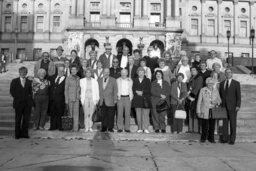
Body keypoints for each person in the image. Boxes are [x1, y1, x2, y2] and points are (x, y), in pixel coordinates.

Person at [10, 67, 33, 139]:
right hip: (18, 103)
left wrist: (30, 101)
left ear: (26, 73)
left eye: (24, 72)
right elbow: (12, 91)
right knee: (18, 119)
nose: (23, 74)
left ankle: (24, 134)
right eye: (21, 72)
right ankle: (17, 134)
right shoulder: (14, 81)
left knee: (26, 120)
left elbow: (31, 92)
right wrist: (19, 98)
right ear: (19, 73)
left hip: (27, 104)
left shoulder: (29, 82)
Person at [219, 68, 241, 145]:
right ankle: (224, 138)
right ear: (225, 74)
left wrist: (238, 105)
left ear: (232, 74)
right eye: (226, 72)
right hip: (224, 106)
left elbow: (238, 96)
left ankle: (232, 139)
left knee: (232, 123)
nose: (228, 74)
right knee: (224, 124)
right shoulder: (222, 83)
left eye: (229, 72)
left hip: (233, 106)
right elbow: (220, 95)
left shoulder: (236, 83)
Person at [197, 78, 222, 143]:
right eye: (209, 83)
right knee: (204, 124)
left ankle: (211, 138)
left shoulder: (216, 90)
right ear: (206, 83)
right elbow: (199, 101)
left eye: (211, 83)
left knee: (212, 125)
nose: (210, 84)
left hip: (213, 109)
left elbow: (220, 100)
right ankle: (203, 138)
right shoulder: (202, 90)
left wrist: (216, 102)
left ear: (213, 84)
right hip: (205, 109)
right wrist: (198, 111)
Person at [132, 67, 151, 133]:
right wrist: (137, 92)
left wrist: (142, 92)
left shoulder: (148, 80)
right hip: (137, 99)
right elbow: (133, 89)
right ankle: (140, 128)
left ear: (144, 73)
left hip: (145, 99)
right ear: (137, 73)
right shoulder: (134, 80)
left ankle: (145, 128)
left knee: (145, 114)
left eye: (142, 72)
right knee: (138, 115)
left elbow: (149, 89)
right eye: (139, 72)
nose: (141, 73)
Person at [80, 67, 99, 132]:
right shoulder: (81, 80)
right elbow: (80, 91)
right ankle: (86, 126)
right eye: (87, 72)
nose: (88, 73)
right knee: (86, 113)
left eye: (89, 72)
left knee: (91, 113)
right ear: (85, 73)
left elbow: (97, 91)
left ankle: (90, 126)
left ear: (91, 73)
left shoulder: (94, 81)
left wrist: (96, 100)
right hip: (85, 98)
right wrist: (81, 99)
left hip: (92, 98)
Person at [98, 68, 118, 132]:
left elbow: (115, 90)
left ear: (109, 73)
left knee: (111, 115)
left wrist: (115, 99)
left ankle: (110, 128)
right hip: (102, 100)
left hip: (111, 100)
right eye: (105, 72)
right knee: (103, 115)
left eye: (107, 72)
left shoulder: (113, 80)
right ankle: (104, 127)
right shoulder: (99, 80)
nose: (106, 73)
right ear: (103, 72)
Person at [49, 66, 66, 130]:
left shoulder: (66, 79)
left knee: (60, 113)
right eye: (59, 71)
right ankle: (52, 126)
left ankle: (60, 127)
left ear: (64, 72)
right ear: (57, 71)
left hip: (61, 100)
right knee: (52, 114)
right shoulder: (53, 77)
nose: (61, 72)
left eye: (62, 71)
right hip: (52, 99)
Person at [187, 67, 203, 133]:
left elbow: (197, 88)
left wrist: (191, 96)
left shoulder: (199, 78)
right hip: (190, 97)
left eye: (194, 70)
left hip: (196, 97)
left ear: (197, 71)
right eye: (191, 70)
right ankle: (191, 129)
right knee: (191, 112)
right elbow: (189, 87)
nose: (192, 71)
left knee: (196, 112)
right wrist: (188, 95)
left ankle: (196, 129)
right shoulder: (191, 78)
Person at [64, 64, 80, 131]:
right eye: (72, 69)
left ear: (77, 70)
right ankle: (70, 127)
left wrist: (79, 96)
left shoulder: (78, 78)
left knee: (76, 114)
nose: (74, 71)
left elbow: (79, 87)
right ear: (70, 70)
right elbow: (66, 89)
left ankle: (75, 128)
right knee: (70, 114)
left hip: (76, 98)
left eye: (75, 69)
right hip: (70, 98)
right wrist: (66, 99)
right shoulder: (68, 78)